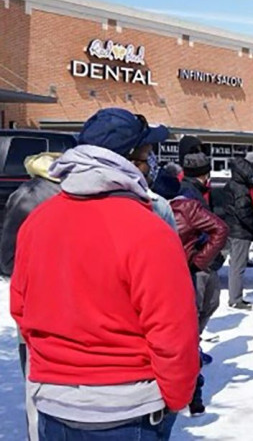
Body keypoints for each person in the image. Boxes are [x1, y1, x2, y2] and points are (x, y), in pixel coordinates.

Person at [11, 108, 199, 439]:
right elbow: (173, 332)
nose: (152, 162)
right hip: (128, 410)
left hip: (55, 405)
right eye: (147, 154)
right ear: (128, 161)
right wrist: (176, 397)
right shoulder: (150, 231)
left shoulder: (36, 223)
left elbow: (22, 311)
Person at [152, 169, 229, 417]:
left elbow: (220, 229)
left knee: (189, 334)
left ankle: (194, 394)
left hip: (187, 275)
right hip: (158, 279)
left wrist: (199, 259)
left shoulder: (187, 209)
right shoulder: (147, 209)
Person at [0, 152, 63, 441]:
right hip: (83, 306)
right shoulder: (88, 193)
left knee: (36, 387)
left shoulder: (27, 195)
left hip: (37, 308)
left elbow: (7, 259)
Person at [179, 153, 226, 328]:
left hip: (200, 257)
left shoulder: (195, 191)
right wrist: (206, 256)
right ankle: (192, 347)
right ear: (205, 174)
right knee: (198, 306)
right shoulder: (190, 195)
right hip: (197, 258)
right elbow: (199, 228)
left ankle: (195, 344)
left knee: (211, 302)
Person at [223, 156, 253, 310]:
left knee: (232, 264)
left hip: (230, 228)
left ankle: (234, 296)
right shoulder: (242, 190)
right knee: (238, 266)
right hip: (240, 232)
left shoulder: (230, 185)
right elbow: (244, 212)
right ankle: (235, 298)